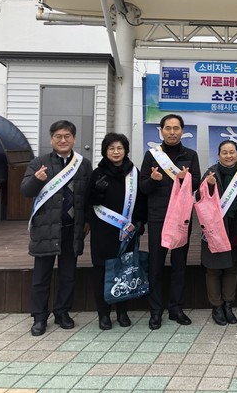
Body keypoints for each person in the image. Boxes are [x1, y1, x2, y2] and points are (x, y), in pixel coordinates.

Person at [20, 120, 92, 336]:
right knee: (41, 276)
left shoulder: (83, 164)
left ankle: (62, 312)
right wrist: (36, 180)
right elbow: (25, 190)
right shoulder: (39, 163)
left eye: (67, 136)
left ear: (74, 139)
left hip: (72, 227)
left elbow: (88, 196)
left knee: (68, 274)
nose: (63, 140)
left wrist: (87, 220)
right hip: (46, 228)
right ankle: (39, 317)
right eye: (58, 136)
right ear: (51, 139)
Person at [139, 114, 200, 330]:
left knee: (179, 264)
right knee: (156, 264)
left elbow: (196, 183)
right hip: (158, 216)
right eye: (168, 128)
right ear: (161, 131)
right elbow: (143, 187)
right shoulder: (152, 155)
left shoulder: (190, 155)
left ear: (182, 131)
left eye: (176, 128)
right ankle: (155, 311)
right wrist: (153, 181)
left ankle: (176, 308)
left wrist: (186, 180)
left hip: (181, 217)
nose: (172, 132)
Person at [85, 133, 147, 330]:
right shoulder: (98, 173)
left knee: (125, 270)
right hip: (103, 232)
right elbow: (89, 201)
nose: (116, 152)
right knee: (102, 271)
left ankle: (122, 312)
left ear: (125, 150)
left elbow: (141, 200)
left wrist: (140, 221)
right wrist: (97, 191)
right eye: (111, 148)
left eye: (119, 148)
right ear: (105, 151)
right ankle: (103, 314)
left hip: (127, 232)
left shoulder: (134, 173)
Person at [198, 140, 237, 325]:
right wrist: (209, 186)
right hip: (215, 230)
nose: (228, 155)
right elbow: (199, 199)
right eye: (224, 152)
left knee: (232, 268)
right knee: (213, 269)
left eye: (232, 152)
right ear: (218, 155)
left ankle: (228, 305)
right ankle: (216, 306)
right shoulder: (210, 173)